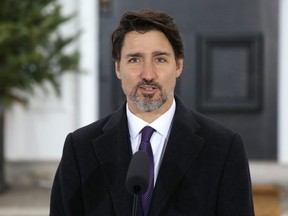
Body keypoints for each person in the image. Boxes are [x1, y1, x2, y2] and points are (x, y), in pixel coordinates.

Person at [50, 9, 255, 216]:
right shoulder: (80, 149)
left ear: (178, 66)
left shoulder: (223, 148)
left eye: (160, 59)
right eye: (134, 60)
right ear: (118, 68)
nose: (148, 74)